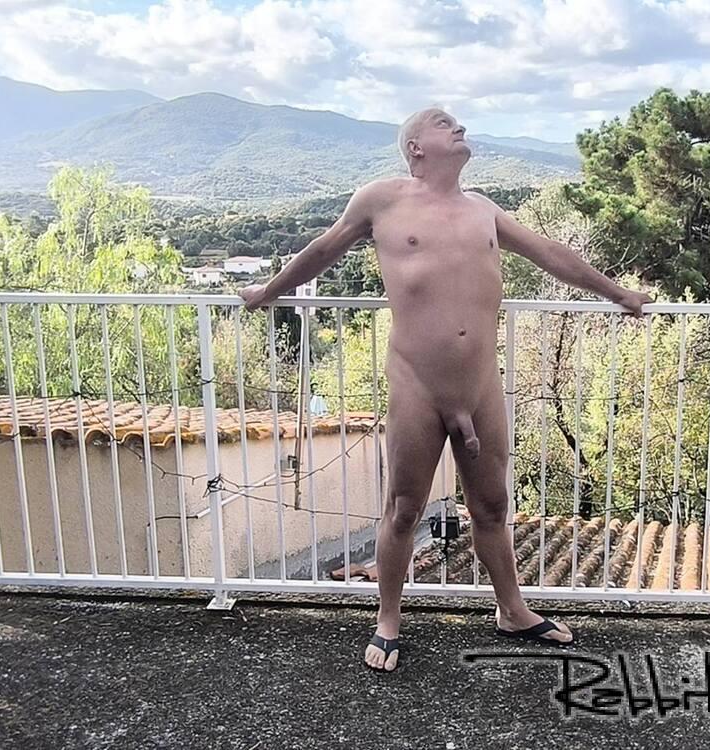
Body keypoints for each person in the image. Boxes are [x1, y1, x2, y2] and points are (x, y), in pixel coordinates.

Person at [240, 107, 653, 672]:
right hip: (417, 386)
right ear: (415, 147)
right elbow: (321, 250)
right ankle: (388, 620)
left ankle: (512, 611)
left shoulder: (484, 209)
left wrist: (619, 294)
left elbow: (552, 254)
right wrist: (269, 291)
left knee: (492, 506)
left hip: (481, 386)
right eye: (443, 122)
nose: (458, 127)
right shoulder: (381, 201)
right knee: (404, 509)